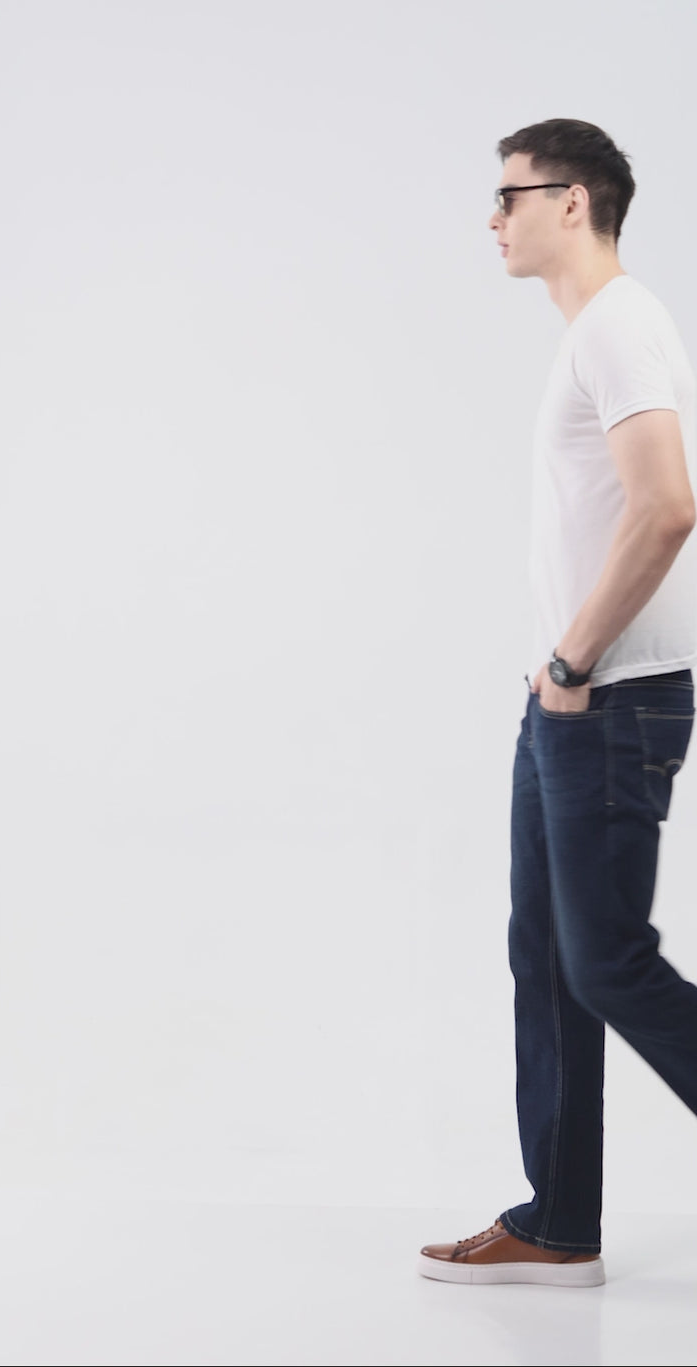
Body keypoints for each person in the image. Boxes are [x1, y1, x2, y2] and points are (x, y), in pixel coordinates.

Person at [419, 118, 697, 1287]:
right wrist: (555, 681)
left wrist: (573, 666)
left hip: (606, 696)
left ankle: (559, 1216)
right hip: (567, 699)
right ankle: (557, 1220)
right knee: (544, 956)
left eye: (509, 195)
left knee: (605, 962)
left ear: (572, 201)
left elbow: (667, 505)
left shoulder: (620, 324)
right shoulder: (591, 332)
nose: (492, 217)